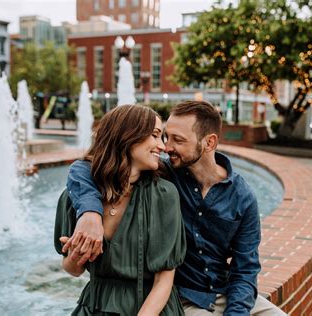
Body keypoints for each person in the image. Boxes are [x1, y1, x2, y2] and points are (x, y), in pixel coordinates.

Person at [63, 101, 286, 315]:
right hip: (182, 296)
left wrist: (236, 313)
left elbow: (245, 269)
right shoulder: (164, 173)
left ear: (209, 143)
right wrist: (90, 212)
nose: (166, 147)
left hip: (224, 291)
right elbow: (84, 168)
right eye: (165, 136)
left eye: (177, 140)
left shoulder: (243, 198)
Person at [54, 105, 186, 315]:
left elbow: (164, 281)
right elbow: (73, 270)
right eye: (155, 136)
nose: (162, 147)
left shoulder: (163, 195)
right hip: (94, 306)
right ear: (127, 136)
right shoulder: (76, 196)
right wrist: (76, 255)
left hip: (149, 308)